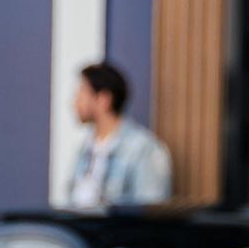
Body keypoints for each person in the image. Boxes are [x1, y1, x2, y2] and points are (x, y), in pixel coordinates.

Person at [61, 62, 172, 209]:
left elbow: (150, 215)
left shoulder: (143, 149)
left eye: (81, 93)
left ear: (103, 100)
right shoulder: (84, 150)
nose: (74, 102)